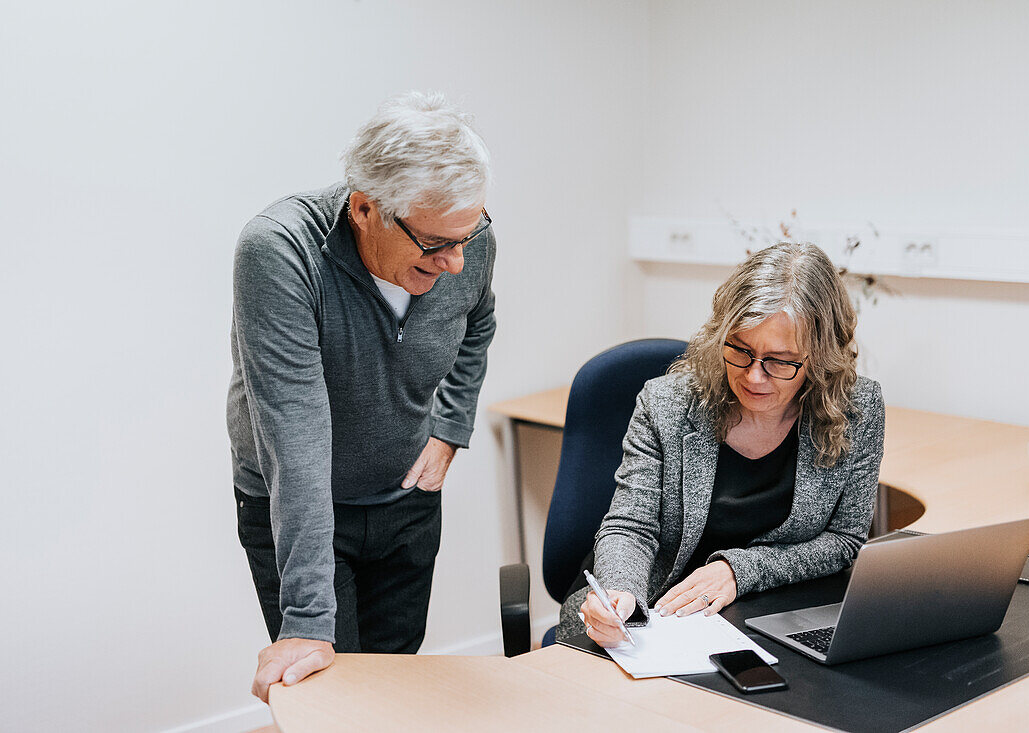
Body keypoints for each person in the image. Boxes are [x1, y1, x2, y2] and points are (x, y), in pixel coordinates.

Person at [227, 91, 496, 700]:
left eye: (467, 237)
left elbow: (478, 319)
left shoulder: (463, 234)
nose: (456, 262)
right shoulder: (281, 250)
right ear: (365, 209)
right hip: (302, 506)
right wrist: (305, 621)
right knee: (336, 698)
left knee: (395, 692)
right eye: (434, 245)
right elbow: (295, 434)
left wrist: (451, 425)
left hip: (406, 502)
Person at [558, 242, 885, 646]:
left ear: (819, 357)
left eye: (780, 361)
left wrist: (739, 570)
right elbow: (631, 525)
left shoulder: (857, 409)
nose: (754, 377)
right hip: (662, 617)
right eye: (740, 350)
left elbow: (844, 541)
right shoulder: (667, 403)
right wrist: (621, 594)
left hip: (776, 619)